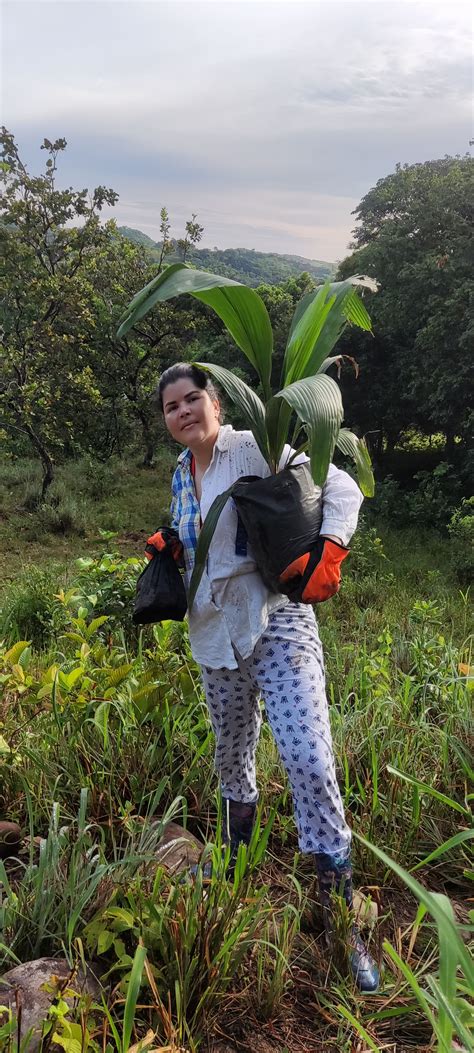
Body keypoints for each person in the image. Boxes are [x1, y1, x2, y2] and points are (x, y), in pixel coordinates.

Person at [151, 362, 379, 993]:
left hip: (275, 622)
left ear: (216, 401)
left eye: (192, 399)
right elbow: (203, 542)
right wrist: (173, 547)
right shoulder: (180, 473)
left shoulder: (257, 446)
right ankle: (232, 865)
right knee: (232, 756)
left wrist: (330, 548)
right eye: (171, 407)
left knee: (308, 758)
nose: (183, 413)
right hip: (212, 632)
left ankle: (338, 920)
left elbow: (342, 486)